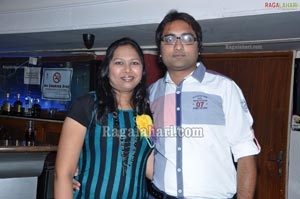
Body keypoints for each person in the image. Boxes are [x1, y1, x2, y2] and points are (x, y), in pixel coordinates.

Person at [146, 10, 261, 199]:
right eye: (169, 39)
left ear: (199, 47)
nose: (177, 45)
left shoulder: (224, 88)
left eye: (186, 38)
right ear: (160, 49)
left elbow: (245, 151)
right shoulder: (151, 94)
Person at [55, 37, 155, 199]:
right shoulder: (87, 105)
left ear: (142, 70)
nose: (128, 69)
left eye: (135, 63)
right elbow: (63, 174)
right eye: (119, 62)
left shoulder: (145, 113)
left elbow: (150, 168)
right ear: (107, 69)